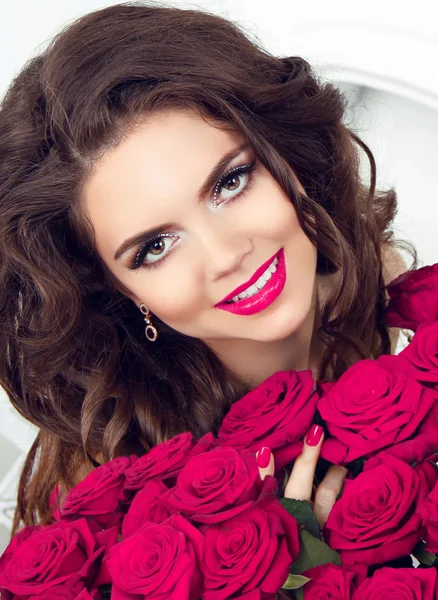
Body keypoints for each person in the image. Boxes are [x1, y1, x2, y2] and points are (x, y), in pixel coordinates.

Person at [0, 2, 411, 541]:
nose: (224, 256)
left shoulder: (399, 296)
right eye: (154, 247)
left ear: (286, 158)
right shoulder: (117, 495)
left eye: (231, 183)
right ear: (117, 290)